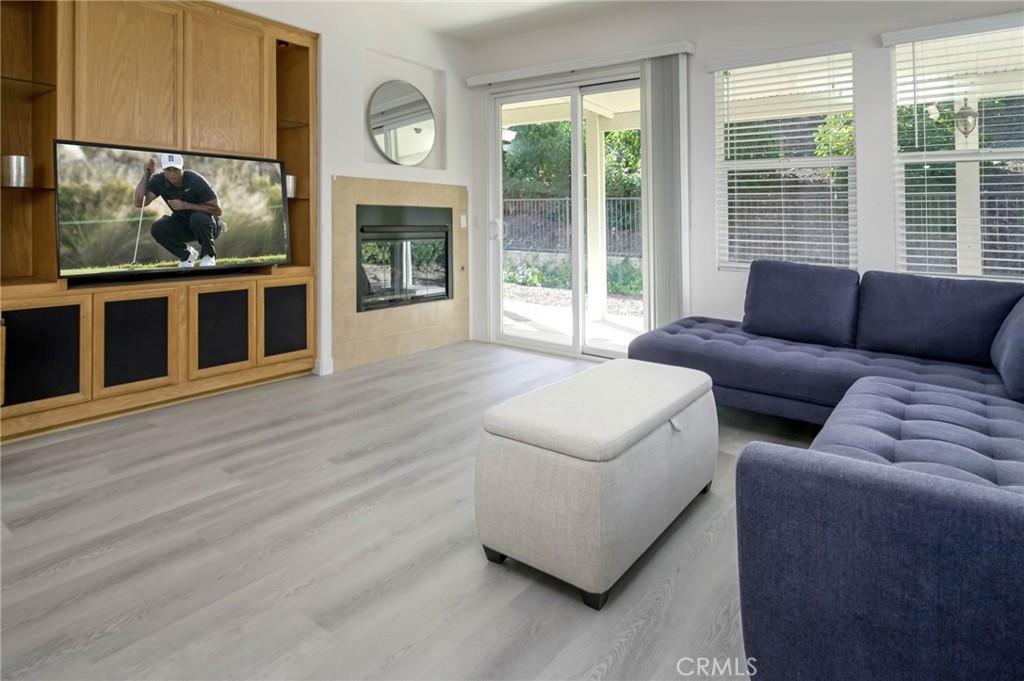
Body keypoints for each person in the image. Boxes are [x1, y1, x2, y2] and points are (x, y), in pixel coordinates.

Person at [133, 153, 225, 268]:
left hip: (208, 226)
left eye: (176, 169)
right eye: (168, 169)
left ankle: (208, 256)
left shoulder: (195, 180)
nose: (172, 173)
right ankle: (187, 255)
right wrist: (147, 175)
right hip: (184, 225)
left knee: (198, 217)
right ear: (163, 169)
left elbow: (217, 210)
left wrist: (186, 205)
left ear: (183, 168)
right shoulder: (159, 181)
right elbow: (139, 202)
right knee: (157, 228)